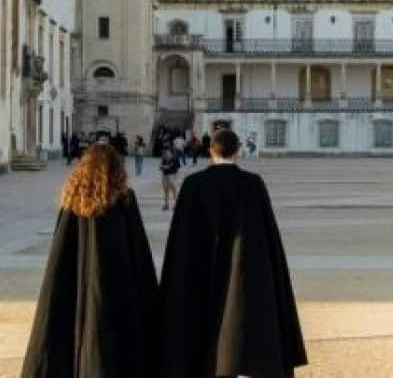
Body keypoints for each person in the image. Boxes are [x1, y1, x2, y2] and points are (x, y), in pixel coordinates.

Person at [160, 128, 307, 378]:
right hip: (243, 270)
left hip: (199, 271)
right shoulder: (253, 184)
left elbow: (181, 239)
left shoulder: (193, 185)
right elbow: (267, 235)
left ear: (210, 151)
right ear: (238, 151)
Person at [20, 143, 159, 377]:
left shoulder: (73, 198)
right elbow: (137, 247)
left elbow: (61, 252)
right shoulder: (124, 198)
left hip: (78, 285)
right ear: (117, 168)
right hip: (119, 288)